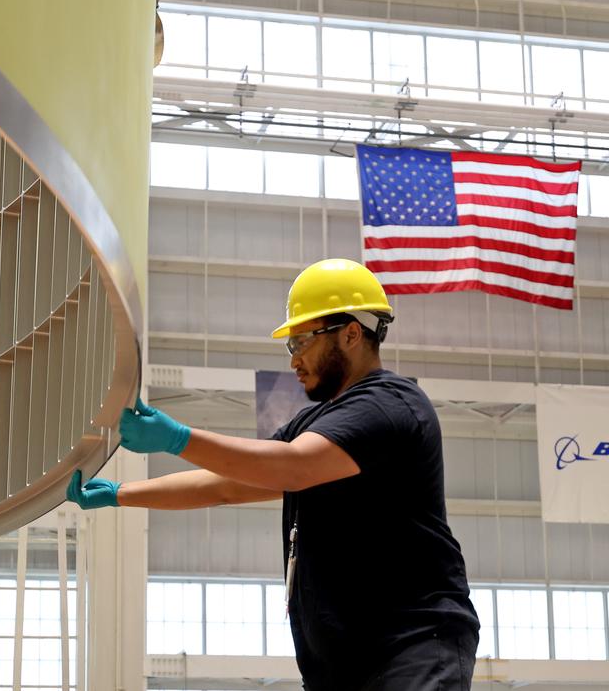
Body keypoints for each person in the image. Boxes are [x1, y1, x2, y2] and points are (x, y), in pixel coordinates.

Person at [67, 258, 479, 690]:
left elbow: (294, 467)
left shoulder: (392, 405)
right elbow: (226, 486)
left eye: (302, 341)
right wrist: (120, 493)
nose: (295, 360)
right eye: (291, 347)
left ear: (352, 333)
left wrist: (179, 439)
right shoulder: (315, 423)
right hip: (342, 669)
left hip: (412, 646)